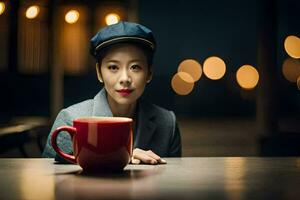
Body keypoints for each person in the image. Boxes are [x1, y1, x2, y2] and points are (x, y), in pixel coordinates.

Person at [43, 21, 181, 164]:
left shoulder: (167, 123)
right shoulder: (71, 119)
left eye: (135, 67)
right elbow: (49, 178)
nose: (125, 79)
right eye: (113, 67)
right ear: (99, 72)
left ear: (149, 73)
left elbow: (174, 180)